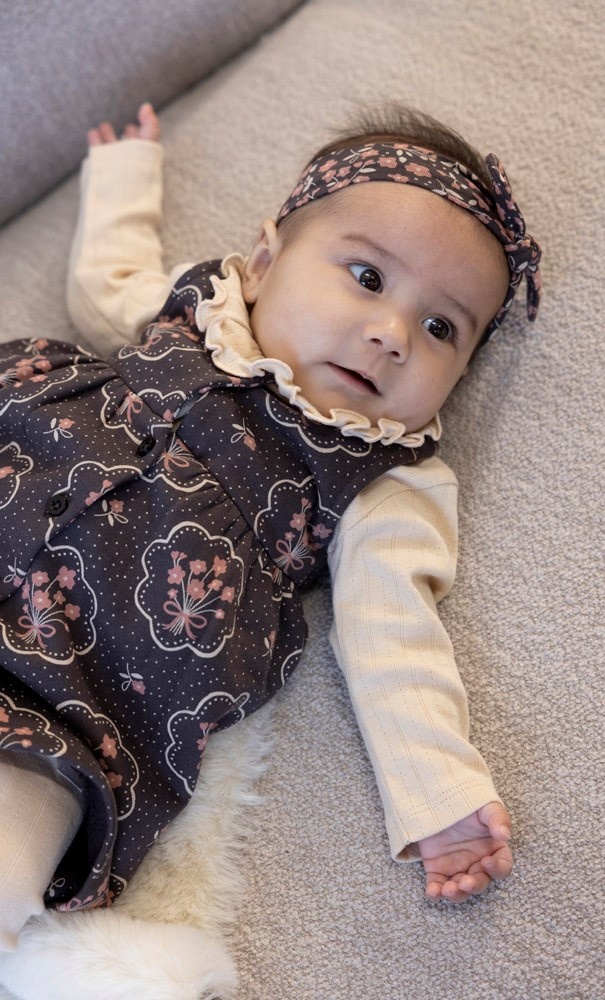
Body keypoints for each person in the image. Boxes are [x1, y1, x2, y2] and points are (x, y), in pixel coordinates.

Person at [0, 101, 541, 951]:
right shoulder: (199, 310)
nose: (391, 334)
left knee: (21, 825)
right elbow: (106, 282)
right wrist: (123, 179)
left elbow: (394, 637)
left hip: (80, 693)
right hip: (23, 466)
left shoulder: (386, 478)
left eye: (440, 328)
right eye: (367, 277)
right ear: (261, 263)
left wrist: (438, 795)